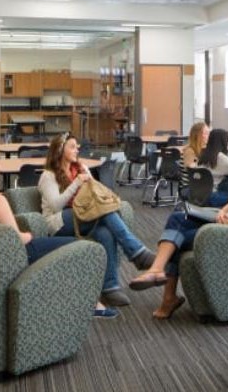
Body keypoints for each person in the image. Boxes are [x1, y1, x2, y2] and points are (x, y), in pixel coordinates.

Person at [0, 143, 116, 319]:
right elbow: (16, 240)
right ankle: (92, 304)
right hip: (9, 258)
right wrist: (30, 235)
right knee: (79, 246)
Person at [129, 138, 228, 320]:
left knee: (178, 239)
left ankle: (161, 282)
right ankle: (159, 276)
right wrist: (223, 211)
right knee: (178, 217)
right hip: (222, 224)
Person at [38, 132, 156, 310]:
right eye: (72, 146)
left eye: (77, 147)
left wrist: (87, 176)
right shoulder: (48, 175)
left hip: (83, 216)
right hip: (58, 222)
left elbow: (96, 195)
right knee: (104, 212)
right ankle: (136, 252)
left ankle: (110, 287)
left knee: (105, 232)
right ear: (60, 150)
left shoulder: (79, 169)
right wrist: (77, 183)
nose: (77, 150)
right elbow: (55, 206)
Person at [196, 128, 228, 208]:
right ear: (224, 141)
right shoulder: (220, 158)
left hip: (198, 193)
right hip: (213, 196)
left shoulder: (203, 153)